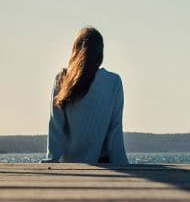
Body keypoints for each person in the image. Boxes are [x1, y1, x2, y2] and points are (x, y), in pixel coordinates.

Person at [43, 27, 129, 164]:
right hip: (103, 165)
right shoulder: (113, 82)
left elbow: (56, 128)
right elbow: (115, 132)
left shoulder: (62, 79)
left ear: (75, 51)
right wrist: (123, 165)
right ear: (100, 54)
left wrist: (50, 161)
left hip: (69, 166)